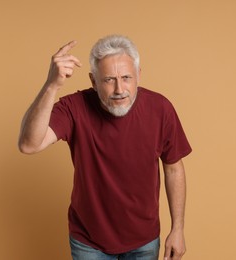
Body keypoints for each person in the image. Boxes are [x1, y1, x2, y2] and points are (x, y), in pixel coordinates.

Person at [18, 35, 192, 260]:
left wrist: (177, 229)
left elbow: (174, 168)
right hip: (89, 242)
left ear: (139, 75)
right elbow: (28, 144)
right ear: (93, 80)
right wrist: (52, 85)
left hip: (144, 240)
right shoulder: (74, 108)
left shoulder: (160, 109)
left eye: (127, 77)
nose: (120, 89)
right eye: (109, 80)